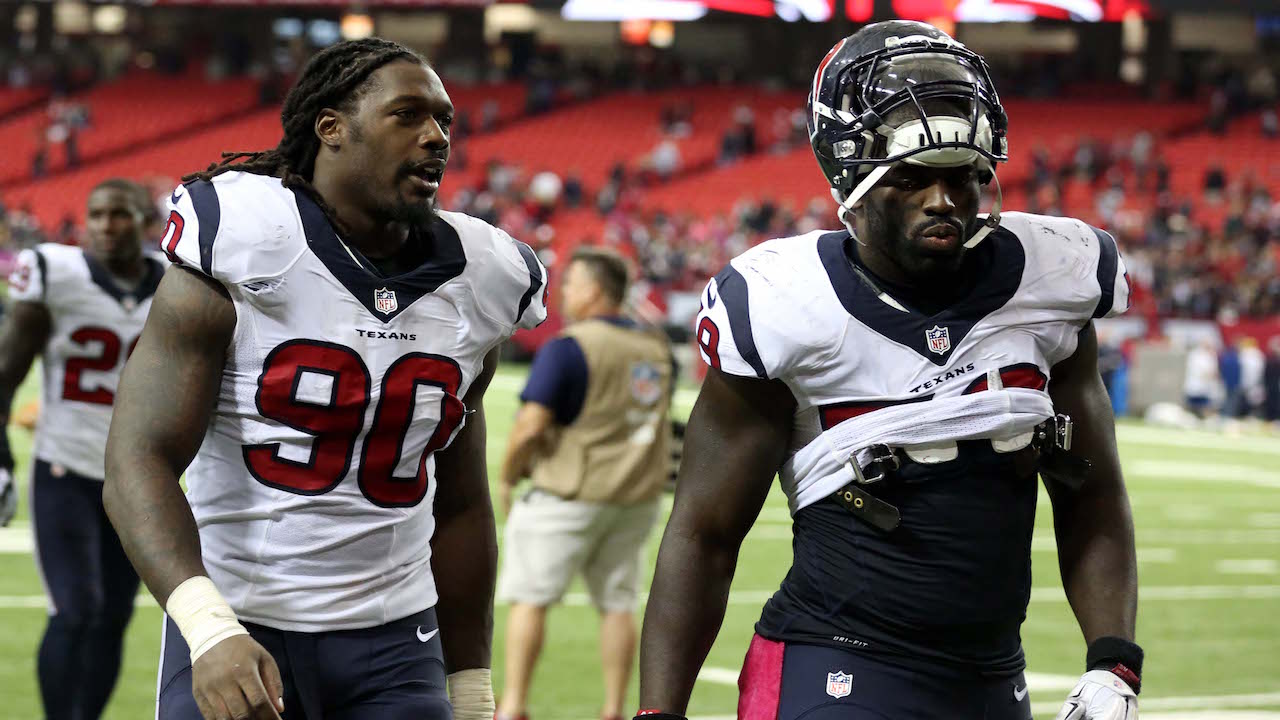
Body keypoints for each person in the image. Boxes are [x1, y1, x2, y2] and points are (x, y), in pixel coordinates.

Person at [634, 22, 1142, 720]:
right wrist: (659, 713)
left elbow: (1092, 493)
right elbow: (704, 531)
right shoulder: (784, 303)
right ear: (852, 178)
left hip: (990, 676)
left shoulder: (1054, 280)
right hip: (833, 660)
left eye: (964, 174)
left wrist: (1113, 661)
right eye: (912, 177)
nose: (945, 200)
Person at [101, 38, 548, 720]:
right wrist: (208, 626)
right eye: (407, 115)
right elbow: (139, 457)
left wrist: (471, 683)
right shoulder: (247, 241)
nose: (435, 138)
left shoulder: (482, 277)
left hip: (400, 641)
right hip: (244, 623)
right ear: (331, 128)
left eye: (444, 121)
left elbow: (459, 502)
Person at [0, 177, 164, 720]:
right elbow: (6, 373)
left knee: (115, 615)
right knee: (75, 611)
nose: (104, 226)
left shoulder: (172, 284)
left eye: (118, 214)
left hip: (135, 477)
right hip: (63, 467)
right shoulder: (56, 272)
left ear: (145, 222)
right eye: (95, 214)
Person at [495, 248, 675, 720]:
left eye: (571, 283)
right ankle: (615, 708)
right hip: (634, 497)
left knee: (530, 598)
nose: (565, 293)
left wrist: (508, 474)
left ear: (594, 290)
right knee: (618, 604)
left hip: (567, 492)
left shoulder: (570, 345)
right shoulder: (655, 346)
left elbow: (531, 425)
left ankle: (513, 705)